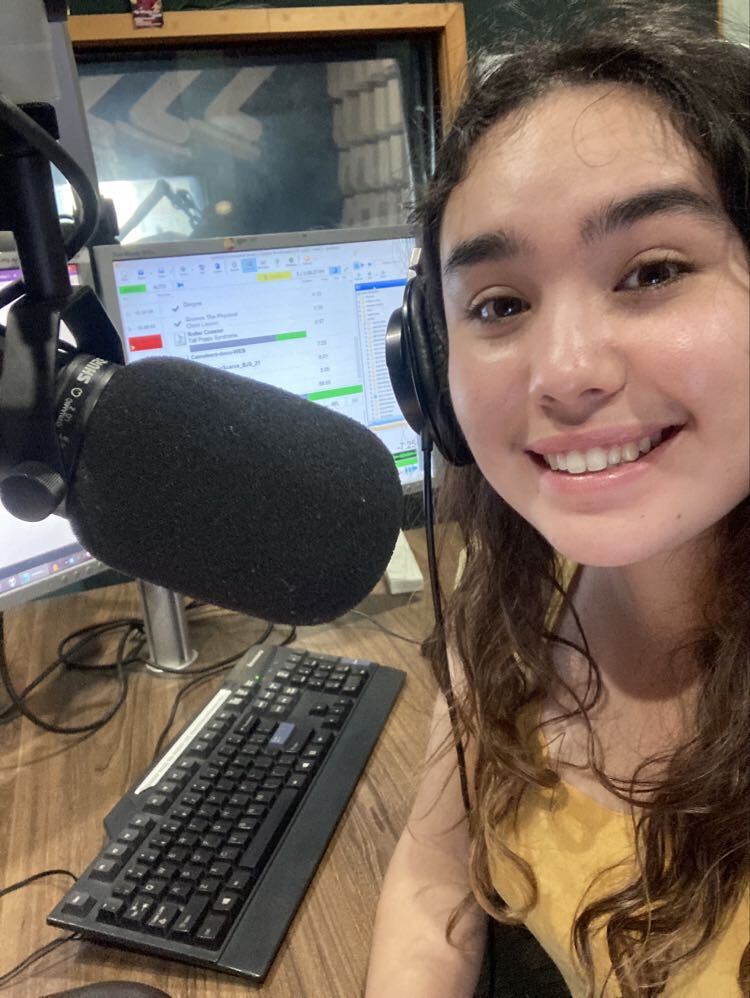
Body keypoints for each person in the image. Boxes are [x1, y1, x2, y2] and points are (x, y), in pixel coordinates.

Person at [365, 2, 749, 995]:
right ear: (431, 372)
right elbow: (434, 886)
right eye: (499, 303)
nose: (567, 372)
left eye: (653, 271)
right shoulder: (516, 587)